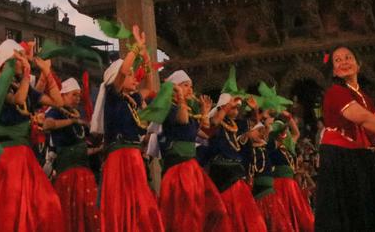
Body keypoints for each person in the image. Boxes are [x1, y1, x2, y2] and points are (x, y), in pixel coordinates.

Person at [313, 46, 375, 231]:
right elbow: (363, 118)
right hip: (341, 159)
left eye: (348, 57)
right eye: (338, 60)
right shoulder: (335, 92)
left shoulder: (364, 97)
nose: (344, 62)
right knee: (353, 216)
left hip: (360, 156)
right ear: (334, 70)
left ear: (358, 65)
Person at [0, 39, 63, 232]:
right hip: (8, 157)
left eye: (21, 58)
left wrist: (46, 72)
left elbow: (58, 101)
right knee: (11, 211)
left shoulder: (24, 86)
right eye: (16, 58)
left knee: (48, 203)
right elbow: (19, 99)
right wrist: (28, 74)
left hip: (24, 156)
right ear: (3, 65)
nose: (21, 62)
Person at [90, 26, 164, 232]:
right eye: (131, 74)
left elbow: (150, 89)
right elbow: (123, 71)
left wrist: (147, 59)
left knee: (141, 207)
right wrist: (135, 48)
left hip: (133, 157)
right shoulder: (113, 96)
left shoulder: (132, 100)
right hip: (120, 157)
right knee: (122, 207)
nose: (134, 77)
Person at [158, 70, 227, 231]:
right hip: (178, 168)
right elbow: (182, 120)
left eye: (191, 86)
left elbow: (204, 132)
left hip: (192, 168)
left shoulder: (187, 111)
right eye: (185, 85)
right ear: (174, 89)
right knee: (185, 216)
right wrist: (181, 99)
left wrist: (204, 111)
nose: (190, 89)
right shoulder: (169, 108)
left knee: (215, 208)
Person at [205, 93, 267, 232]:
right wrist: (226, 107)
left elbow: (257, 129)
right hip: (222, 172)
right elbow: (213, 123)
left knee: (246, 215)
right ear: (224, 106)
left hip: (237, 171)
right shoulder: (215, 121)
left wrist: (255, 110)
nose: (236, 111)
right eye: (233, 108)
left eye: (237, 109)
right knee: (228, 215)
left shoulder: (236, 124)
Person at [43, 78, 99, 232]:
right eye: (74, 95)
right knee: (71, 217)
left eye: (79, 95)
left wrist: (99, 148)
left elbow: (81, 147)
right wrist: (72, 122)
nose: (78, 98)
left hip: (84, 173)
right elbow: (47, 124)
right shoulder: (57, 110)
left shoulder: (76, 114)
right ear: (63, 95)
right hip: (68, 175)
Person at [269, 116, 314, 232]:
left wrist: (288, 117)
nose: (285, 133)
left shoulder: (289, 148)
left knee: (299, 215)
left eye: (285, 131)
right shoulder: (272, 147)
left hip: (291, 185)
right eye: (282, 131)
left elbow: (296, 133)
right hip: (280, 185)